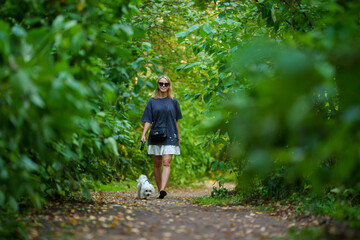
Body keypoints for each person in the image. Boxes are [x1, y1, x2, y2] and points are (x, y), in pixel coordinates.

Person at [141, 75, 183, 199]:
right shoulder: (152, 101)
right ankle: (160, 190)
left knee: (166, 162)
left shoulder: (174, 101)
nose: (163, 86)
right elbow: (148, 120)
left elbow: (176, 121)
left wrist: (178, 136)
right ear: (158, 85)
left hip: (170, 135)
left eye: (166, 84)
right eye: (161, 83)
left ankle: (163, 189)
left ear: (169, 86)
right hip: (156, 135)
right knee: (157, 163)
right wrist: (143, 134)